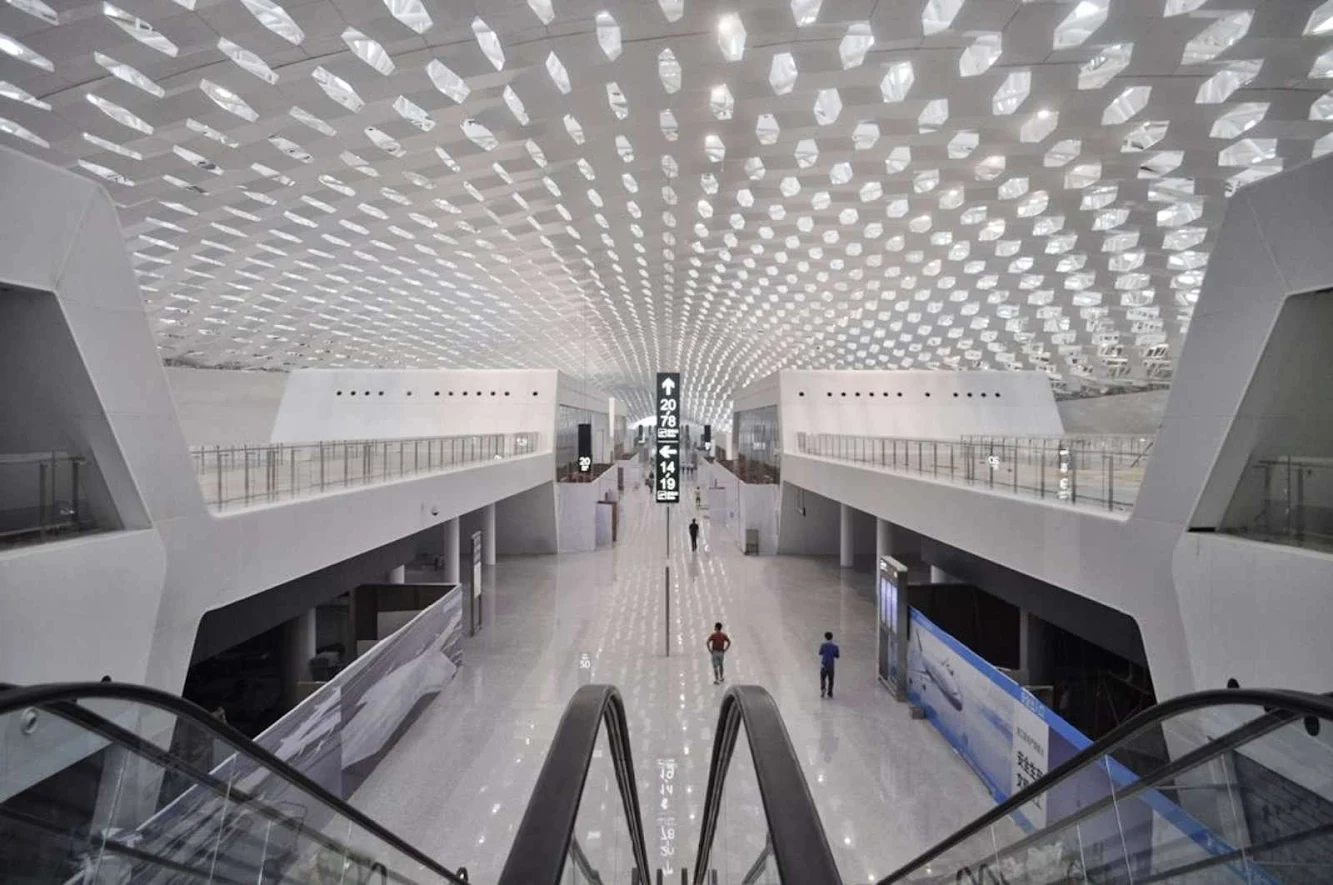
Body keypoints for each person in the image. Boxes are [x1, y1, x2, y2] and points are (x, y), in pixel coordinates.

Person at [819, 631, 840, 698]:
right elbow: (837, 656)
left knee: (823, 678)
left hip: (824, 664)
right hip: (831, 665)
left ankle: (823, 688)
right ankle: (830, 692)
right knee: (831, 679)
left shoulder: (823, 645)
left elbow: (820, 653)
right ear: (832, 637)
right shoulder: (835, 646)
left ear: (825, 637)